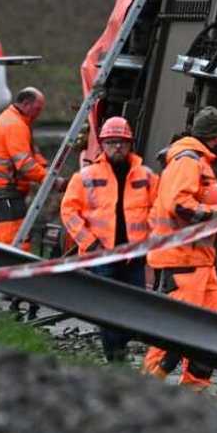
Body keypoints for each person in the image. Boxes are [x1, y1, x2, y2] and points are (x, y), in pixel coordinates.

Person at [141, 106, 217, 390]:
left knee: (207, 328)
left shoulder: (199, 162)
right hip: (183, 260)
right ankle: (149, 383)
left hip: (199, 260)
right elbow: (179, 206)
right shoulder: (188, 161)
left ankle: (195, 387)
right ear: (214, 136)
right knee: (175, 327)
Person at [61, 116, 158, 363]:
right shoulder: (86, 176)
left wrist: (151, 243)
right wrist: (90, 243)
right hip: (101, 255)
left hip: (133, 256)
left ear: (130, 144)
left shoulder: (146, 177)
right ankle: (115, 358)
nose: (117, 147)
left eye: (122, 142)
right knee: (107, 309)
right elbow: (69, 212)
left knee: (135, 308)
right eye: (112, 142)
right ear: (103, 144)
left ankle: (119, 348)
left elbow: (158, 210)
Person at [0, 87, 58, 248]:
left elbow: (31, 153)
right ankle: (12, 271)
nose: (39, 113)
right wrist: (51, 180)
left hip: (1, 192)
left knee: (17, 238)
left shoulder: (15, 121)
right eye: (37, 109)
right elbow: (25, 164)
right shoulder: (15, 125)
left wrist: (45, 168)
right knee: (11, 242)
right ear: (26, 104)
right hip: (2, 192)